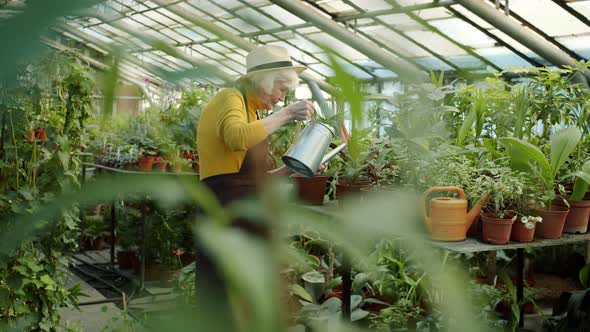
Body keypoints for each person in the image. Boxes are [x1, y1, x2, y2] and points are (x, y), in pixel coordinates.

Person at [194, 44, 314, 330]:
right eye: (281, 89)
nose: (281, 97)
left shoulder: (255, 113)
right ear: (264, 81)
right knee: (224, 296)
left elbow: (252, 179)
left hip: (246, 217)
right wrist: (285, 114)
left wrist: (290, 168)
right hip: (224, 215)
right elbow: (236, 138)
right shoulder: (230, 98)